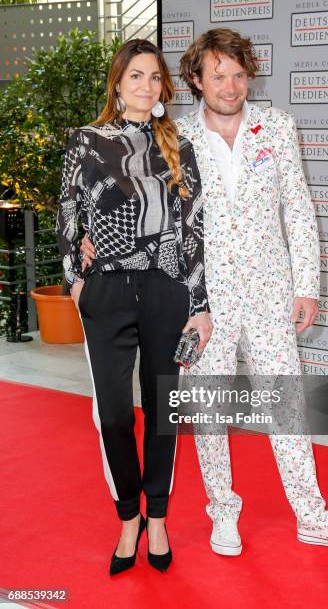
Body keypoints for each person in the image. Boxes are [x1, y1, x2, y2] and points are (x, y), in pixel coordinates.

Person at [81, 29, 328, 556]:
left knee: (286, 403)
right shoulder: (175, 137)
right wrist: (88, 237)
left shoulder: (277, 127)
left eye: (239, 74)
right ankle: (223, 512)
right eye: (218, 75)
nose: (231, 85)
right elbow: (136, 206)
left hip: (269, 291)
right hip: (200, 301)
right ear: (196, 80)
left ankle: (312, 514)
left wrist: (307, 283)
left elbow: (299, 207)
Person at [56, 38, 212, 575]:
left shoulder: (179, 144)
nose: (146, 86)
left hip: (167, 291)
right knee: (116, 415)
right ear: (118, 84)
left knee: (163, 411)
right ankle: (129, 518)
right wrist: (77, 283)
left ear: (163, 86)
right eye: (135, 76)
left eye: (154, 77)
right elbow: (67, 216)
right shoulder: (87, 141)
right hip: (108, 293)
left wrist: (200, 304)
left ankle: (160, 518)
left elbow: (192, 230)